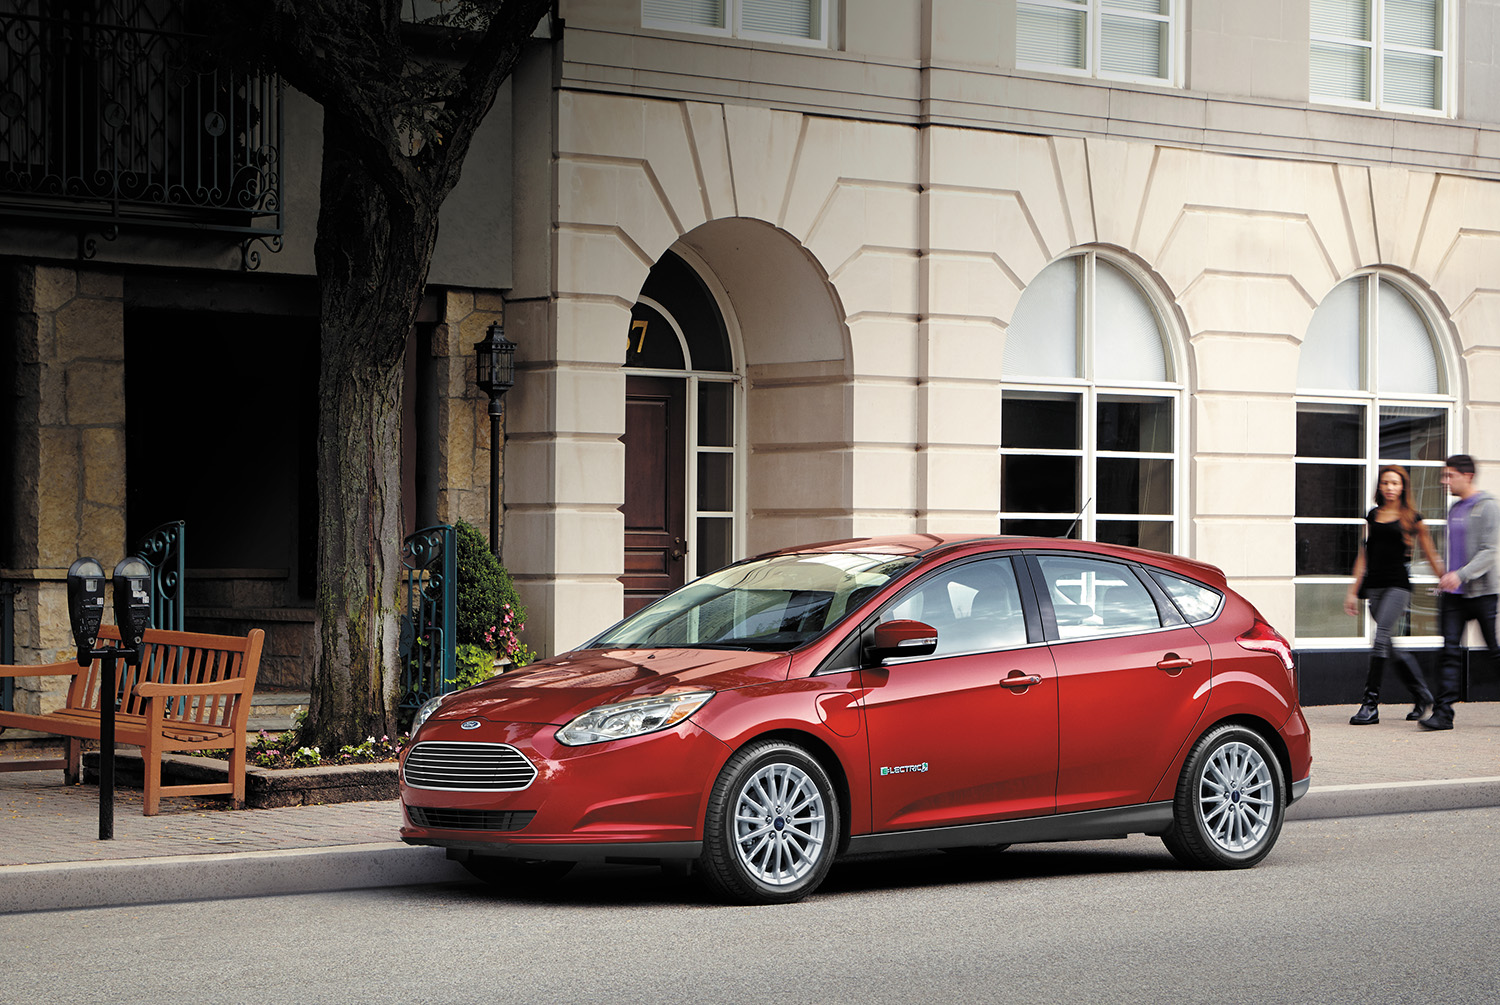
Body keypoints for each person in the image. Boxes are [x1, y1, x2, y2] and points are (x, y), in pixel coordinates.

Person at [1345, 465, 1442, 725]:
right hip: (1374, 587)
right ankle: (1422, 695)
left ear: (1403, 487)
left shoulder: (1412, 518)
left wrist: (1444, 577)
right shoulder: (1373, 516)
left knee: (1380, 639)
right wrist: (1352, 592)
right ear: (1380, 486)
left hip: (1397, 586)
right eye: (1386, 483)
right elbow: (1363, 556)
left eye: (1395, 483)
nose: (1390, 487)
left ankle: (1370, 705)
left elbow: (1430, 552)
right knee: (1388, 644)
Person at [1426, 454, 1500, 731]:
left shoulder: (1488, 507)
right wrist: (1447, 576)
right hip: (1453, 597)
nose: (1445, 481)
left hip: (1482, 594)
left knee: (1492, 651)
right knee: (1449, 652)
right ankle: (1443, 714)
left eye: (1450, 475)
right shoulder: (1455, 509)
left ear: (1467, 476)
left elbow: (1489, 552)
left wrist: (1461, 575)